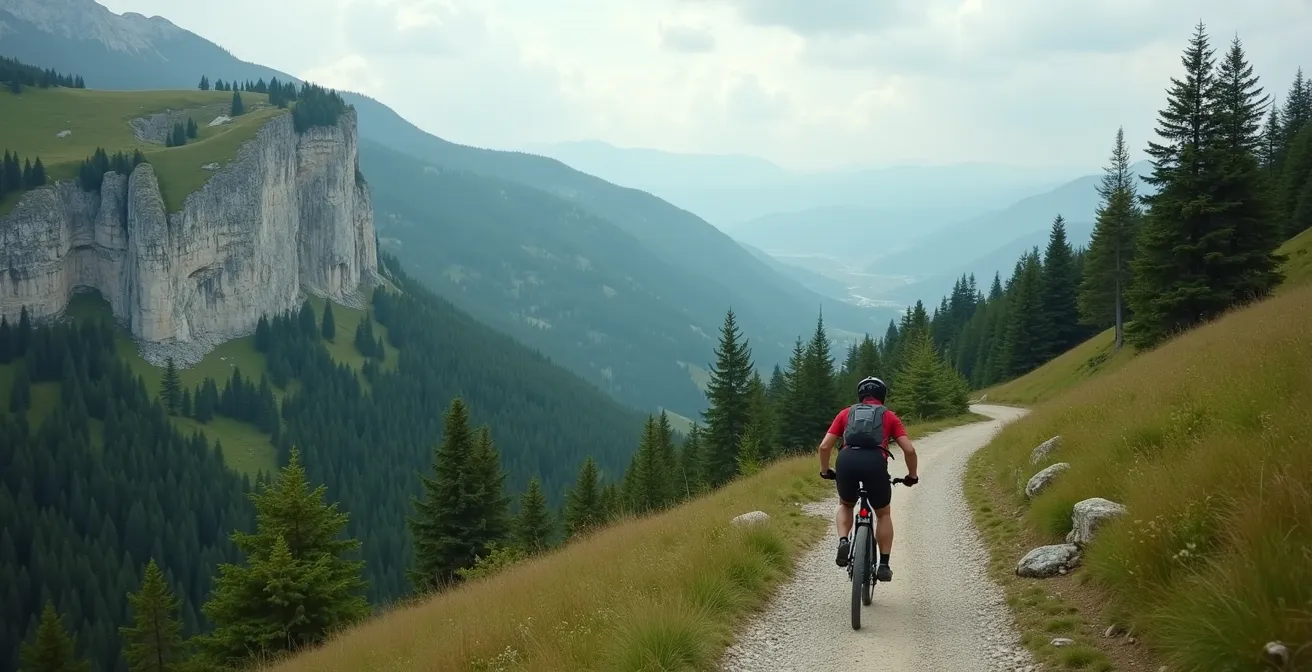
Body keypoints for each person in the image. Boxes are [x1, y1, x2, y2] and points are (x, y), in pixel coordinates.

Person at [817, 376, 919, 582]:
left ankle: (844, 540)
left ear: (860, 395)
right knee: (883, 514)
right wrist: (912, 475)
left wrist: (825, 470)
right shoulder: (889, 416)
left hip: (847, 461)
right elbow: (909, 449)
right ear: (882, 395)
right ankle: (883, 565)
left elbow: (824, 447)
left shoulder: (846, 413)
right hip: (874, 463)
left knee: (845, 504)